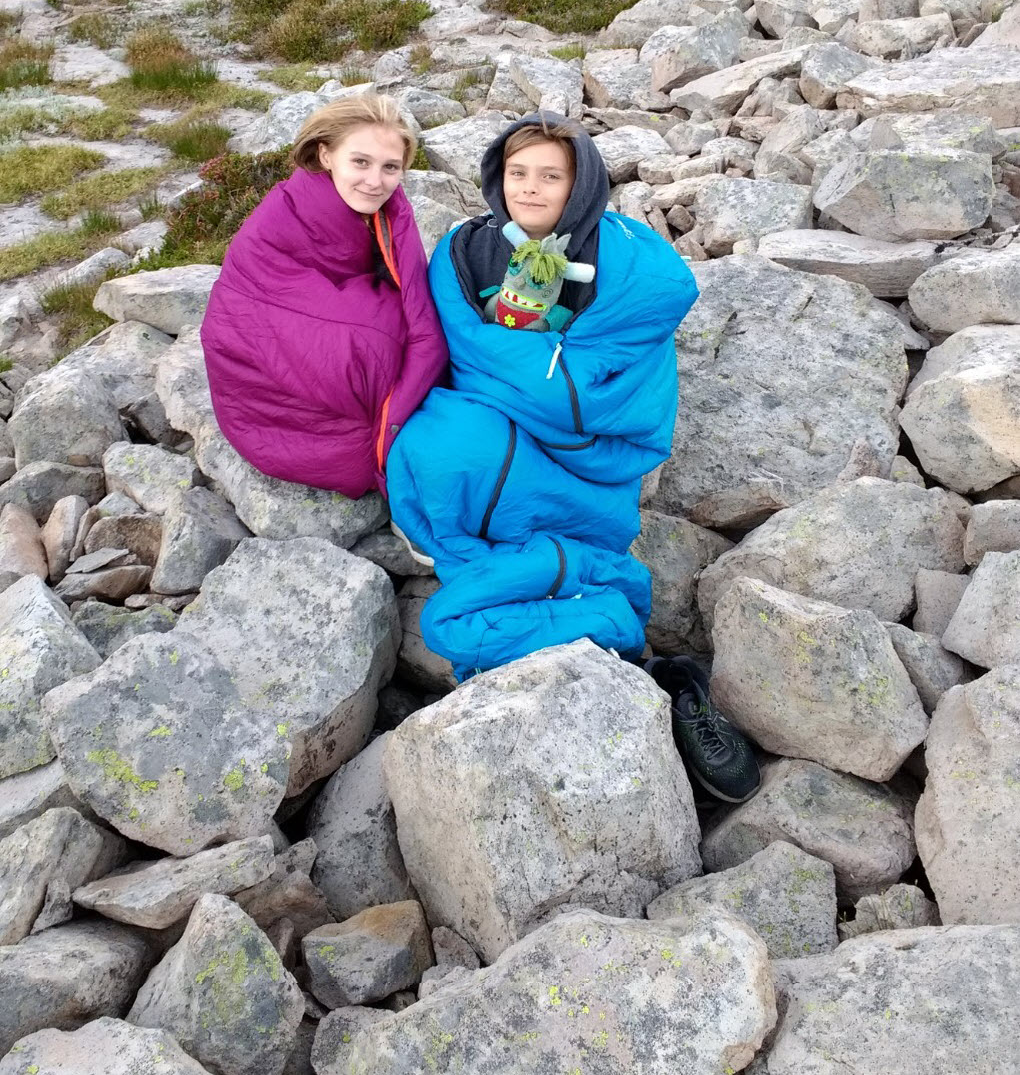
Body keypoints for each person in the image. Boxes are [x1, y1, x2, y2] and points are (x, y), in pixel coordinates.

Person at [387, 112, 759, 803]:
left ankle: (645, 687)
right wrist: (529, 374)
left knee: (460, 611)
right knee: (434, 448)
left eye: (550, 176)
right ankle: (621, 648)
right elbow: (460, 351)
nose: (530, 188)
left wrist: (529, 377)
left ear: (581, 184)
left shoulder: (627, 261)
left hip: (581, 459)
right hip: (499, 432)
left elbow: (596, 390)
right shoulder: (466, 253)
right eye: (517, 173)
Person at [200, 94, 448, 500]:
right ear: (326, 154)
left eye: (391, 168)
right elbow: (251, 299)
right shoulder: (289, 209)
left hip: (307, 313)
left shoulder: (385, 209)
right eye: (361, 162)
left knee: (410, 333)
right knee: (374, 347)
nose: (375, 181)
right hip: (252, 357)